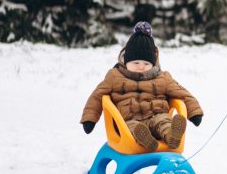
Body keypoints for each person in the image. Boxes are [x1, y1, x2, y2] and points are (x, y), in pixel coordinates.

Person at [80, 22, 203, 151]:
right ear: (125, 61)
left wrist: (194, 113)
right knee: (133, 128)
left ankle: (172, 137)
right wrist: (89, 119)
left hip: (156, 116)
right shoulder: (114, 76)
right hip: (128, 121)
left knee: (164, 122)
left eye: (146, 63)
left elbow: (182, 93)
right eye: (136, 62)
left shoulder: (163, 78)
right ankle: (146, 139)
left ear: (153, 63)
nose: (141, 66)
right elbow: (97, 95)